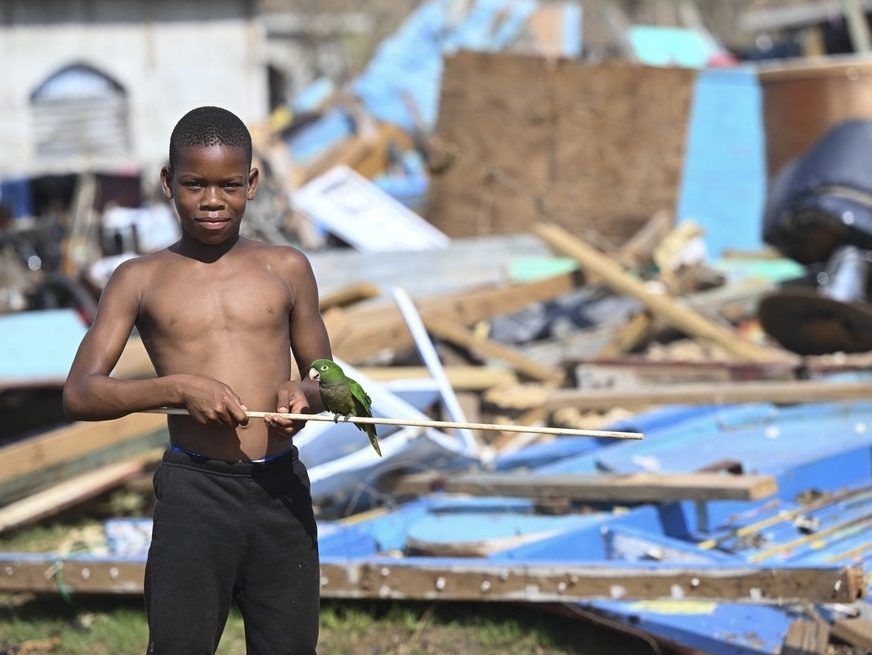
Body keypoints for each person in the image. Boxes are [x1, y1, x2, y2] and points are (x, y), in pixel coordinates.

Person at [63, 106, 329, 654]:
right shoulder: (138, 278)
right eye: (194, 185)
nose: (212, 200)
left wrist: (303, 394)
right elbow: (82, 391)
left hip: (280, 490)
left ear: (251, 184)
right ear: (168, 183)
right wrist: (177, 389)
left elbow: (326, 378)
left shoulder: (288, 267)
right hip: (195, 494)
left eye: (230, 185)